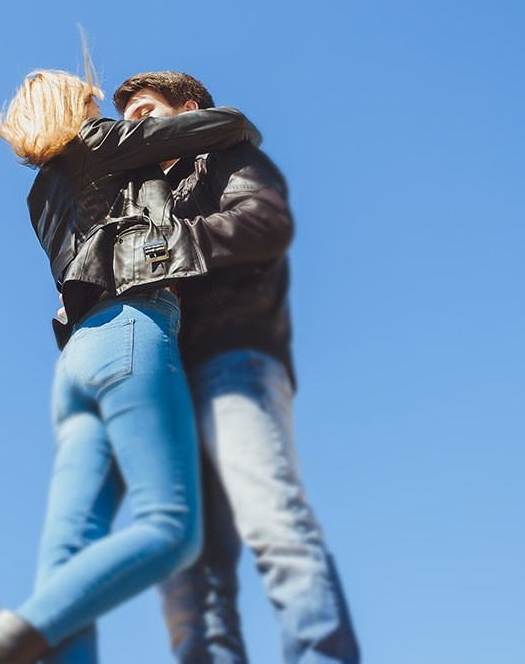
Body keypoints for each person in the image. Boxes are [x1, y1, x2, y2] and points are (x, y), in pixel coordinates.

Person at [0, 55, 262, 664]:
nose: (104, 110)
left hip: (76, 360)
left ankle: (16, 645)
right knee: (170, 528)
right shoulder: (102, 143)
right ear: (78, 110)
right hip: (132, 330)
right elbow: (229, 123)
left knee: (67, 567)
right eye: (95, 102)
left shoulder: (40, 194)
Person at [114, 72, 361, 664]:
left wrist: (164, 251)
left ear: (189, 110)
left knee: (274, 523)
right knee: (190, 575)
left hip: (233, 360)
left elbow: (266, 223)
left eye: (146, 111)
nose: (133, 127)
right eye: (127, 120)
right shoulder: (138, 195)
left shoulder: (225, 156)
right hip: (166, 383)